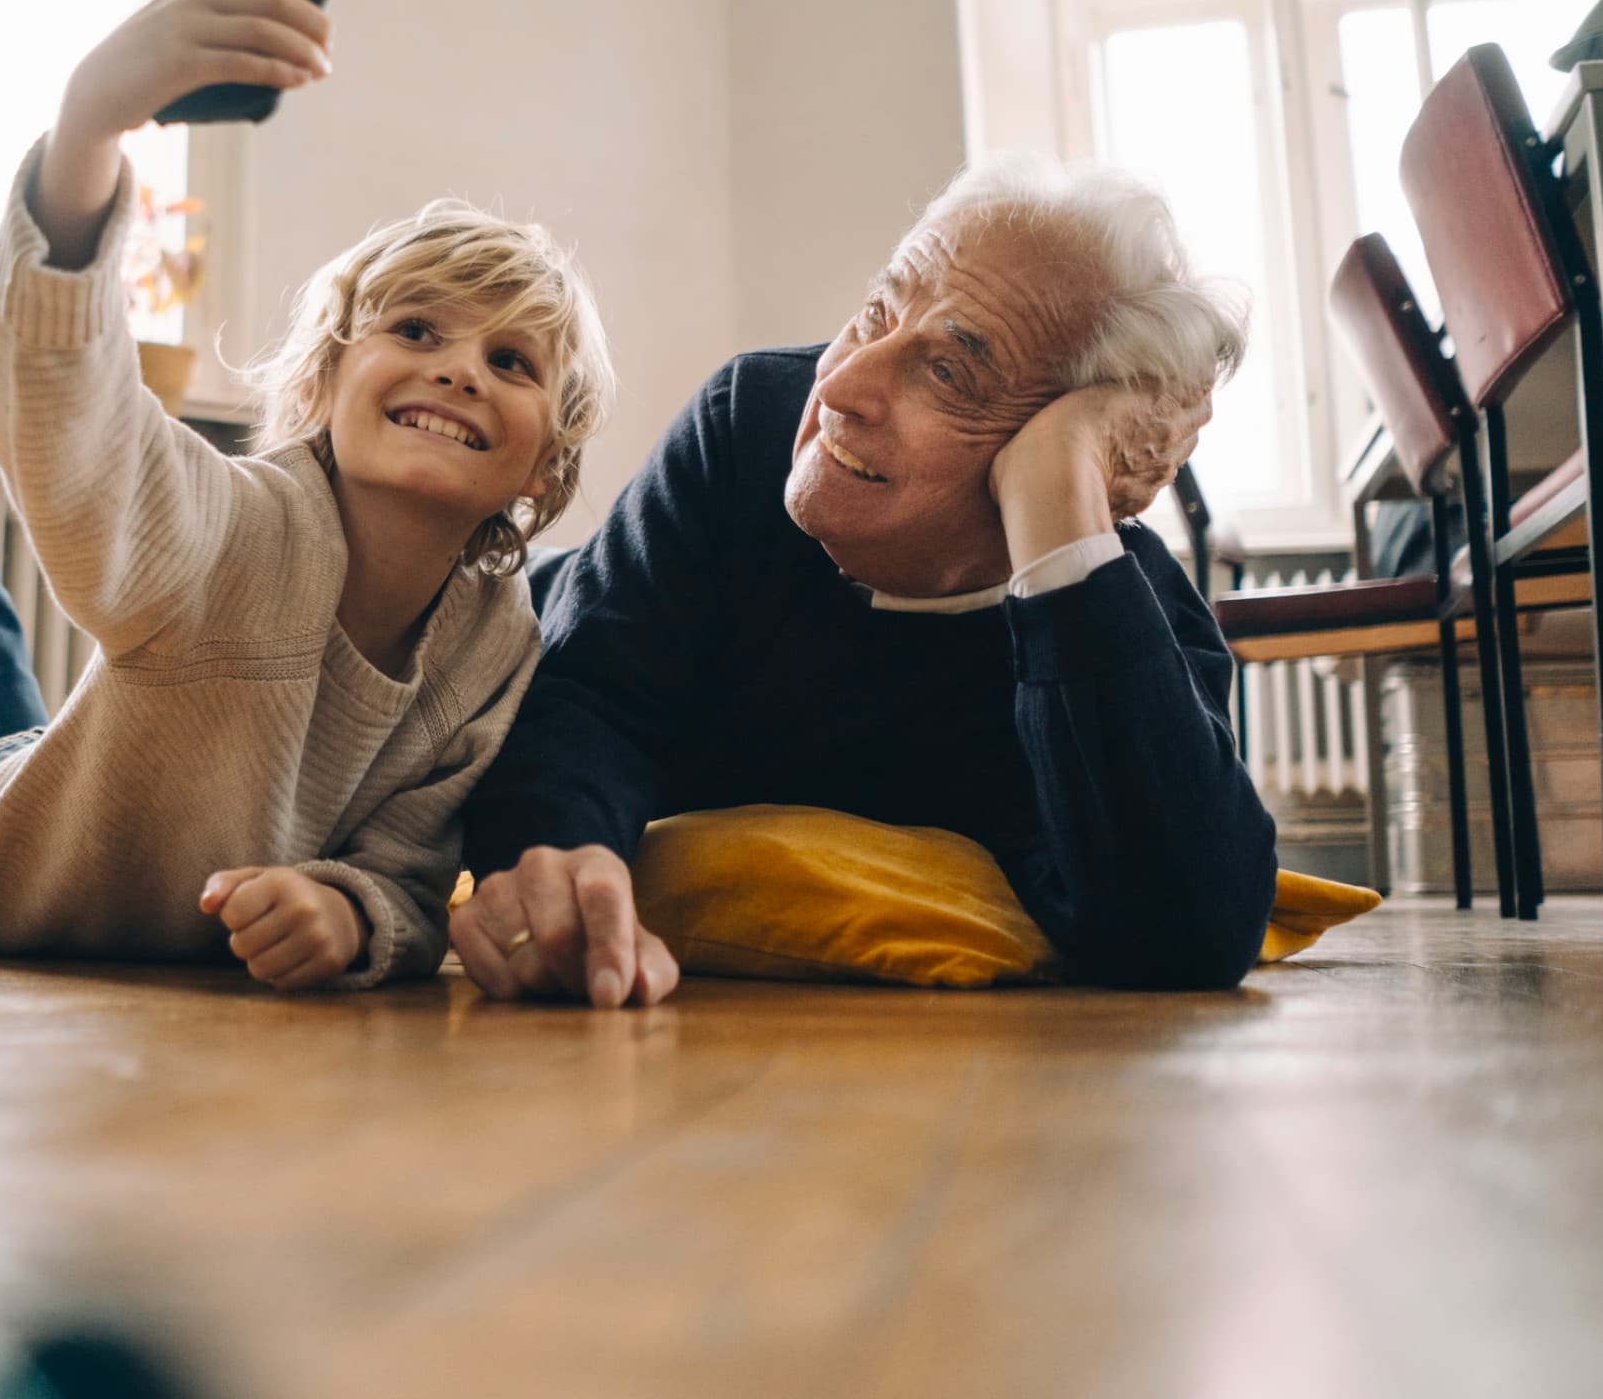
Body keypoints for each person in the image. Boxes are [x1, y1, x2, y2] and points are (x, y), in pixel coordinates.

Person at [0, 0, 611, 990]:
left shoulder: (495, 643)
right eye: (419, 329)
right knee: (12, 740)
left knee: (29, 726)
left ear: (545, 467)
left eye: (510, 361)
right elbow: (84, 431)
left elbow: (409, 872)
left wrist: (346, 914)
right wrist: (89, 128)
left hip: (92, 803)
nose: (460, 372)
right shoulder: (230, 526)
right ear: (324, 382)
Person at [449, 156, 1277, 1007]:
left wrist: (1062, 498)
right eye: (875, 313)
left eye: (950, 372)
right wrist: (559, 852)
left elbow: (1187, 931)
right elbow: (588, 698)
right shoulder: (751, 422)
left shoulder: (1102, 616)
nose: (842, 383)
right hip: (498, 620)